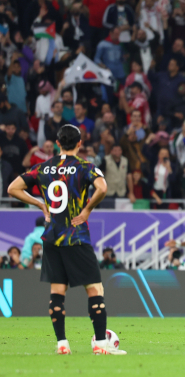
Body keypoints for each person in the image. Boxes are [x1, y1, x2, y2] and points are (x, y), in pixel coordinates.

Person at [7, 124, 125, 355]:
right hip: (76, 236)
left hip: (51, 238)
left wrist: (40, 203)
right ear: (80, 144)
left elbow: (13, 188)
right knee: (95, 288)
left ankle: (62, 344)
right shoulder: (85, 167)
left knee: (57, 291)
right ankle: (101, 344)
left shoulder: (42, 168)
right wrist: (88, 210)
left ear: (58, 144)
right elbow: (102, 188)